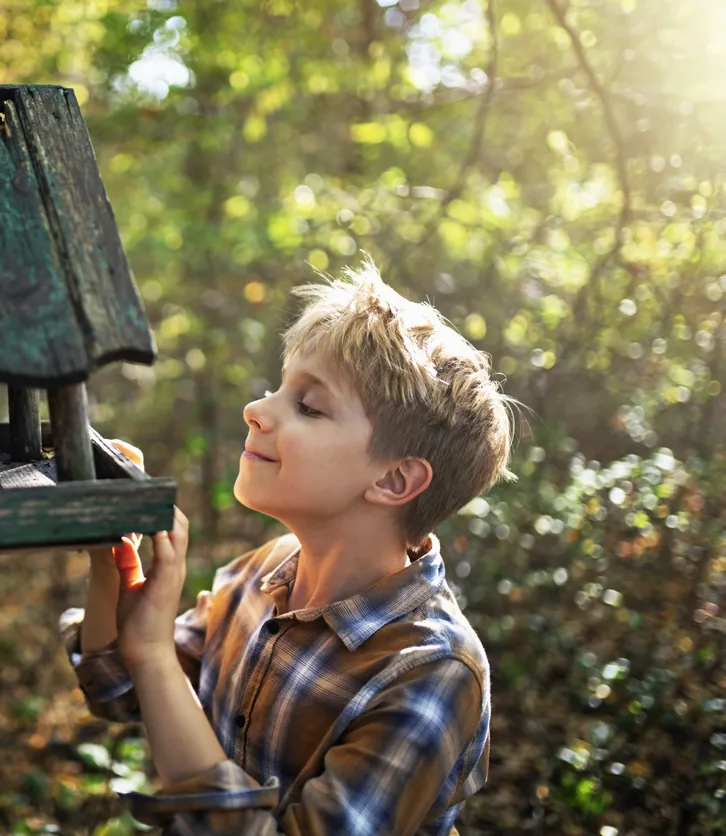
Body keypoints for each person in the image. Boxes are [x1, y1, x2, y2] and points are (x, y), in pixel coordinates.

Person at [59, 261, 520, 835]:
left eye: (309, 406)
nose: (258, 409)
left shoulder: (430, 671)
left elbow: (149, 667)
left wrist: (154, 652)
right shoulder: (263, 572)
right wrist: (112, 560)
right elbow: (122, 693)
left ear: (394, 481)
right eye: (280, 386)